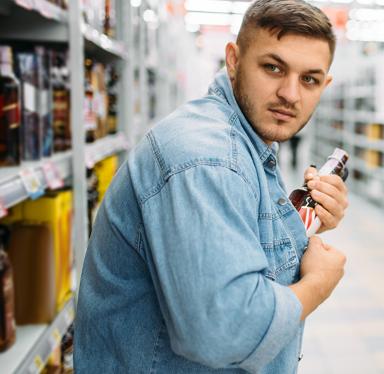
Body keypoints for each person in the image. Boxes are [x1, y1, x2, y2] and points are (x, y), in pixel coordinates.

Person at [74, 0, 348, 372]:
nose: (290, 94)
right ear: (233, 60)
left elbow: (245, 250)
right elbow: (224, 332)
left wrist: (301, 223)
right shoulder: (209, 158)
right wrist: (319, 281)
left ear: (325, 84)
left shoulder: (245, 138)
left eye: (309, 79)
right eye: (272, 67)